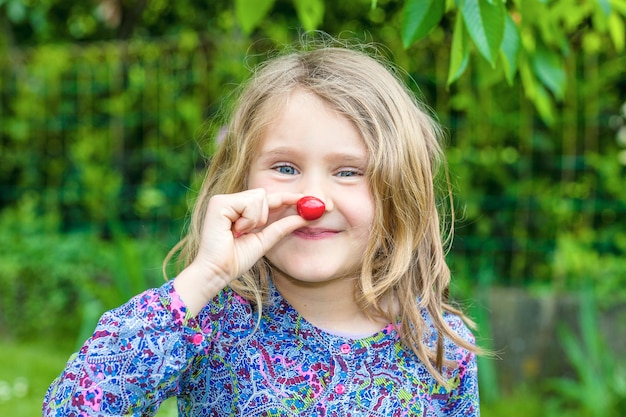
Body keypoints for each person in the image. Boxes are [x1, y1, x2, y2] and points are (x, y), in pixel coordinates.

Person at [43, 38, 481, 416]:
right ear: (241, 181)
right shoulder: (212, 320)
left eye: (348, 172)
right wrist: (203, 279)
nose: (313, 202)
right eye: (285, 167)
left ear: (399, 193)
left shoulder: (440, 346)